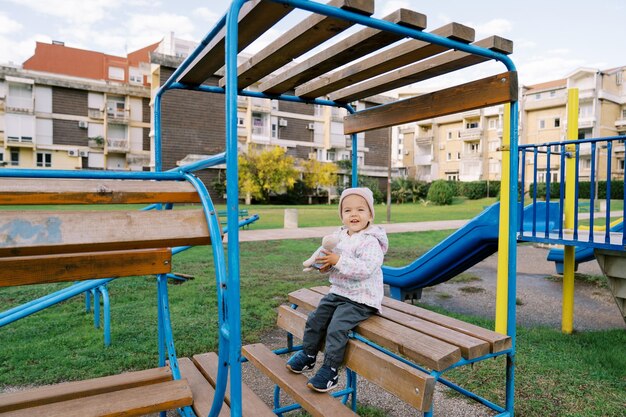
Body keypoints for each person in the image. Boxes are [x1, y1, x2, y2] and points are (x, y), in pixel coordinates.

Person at [286, 187, 388, 392]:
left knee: (337, 326)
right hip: (339, 292)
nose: (354, 214)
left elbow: (366, 269)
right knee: (316, 317)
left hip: (362, 298)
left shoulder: (371, 241)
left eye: (360, 209)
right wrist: (326, 265)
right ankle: (308, 354)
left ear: (370, 215)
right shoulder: (339, 236)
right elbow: (330, 258)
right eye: (348, 210)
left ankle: (330, 370)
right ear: (341, 215)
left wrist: (338, 260)